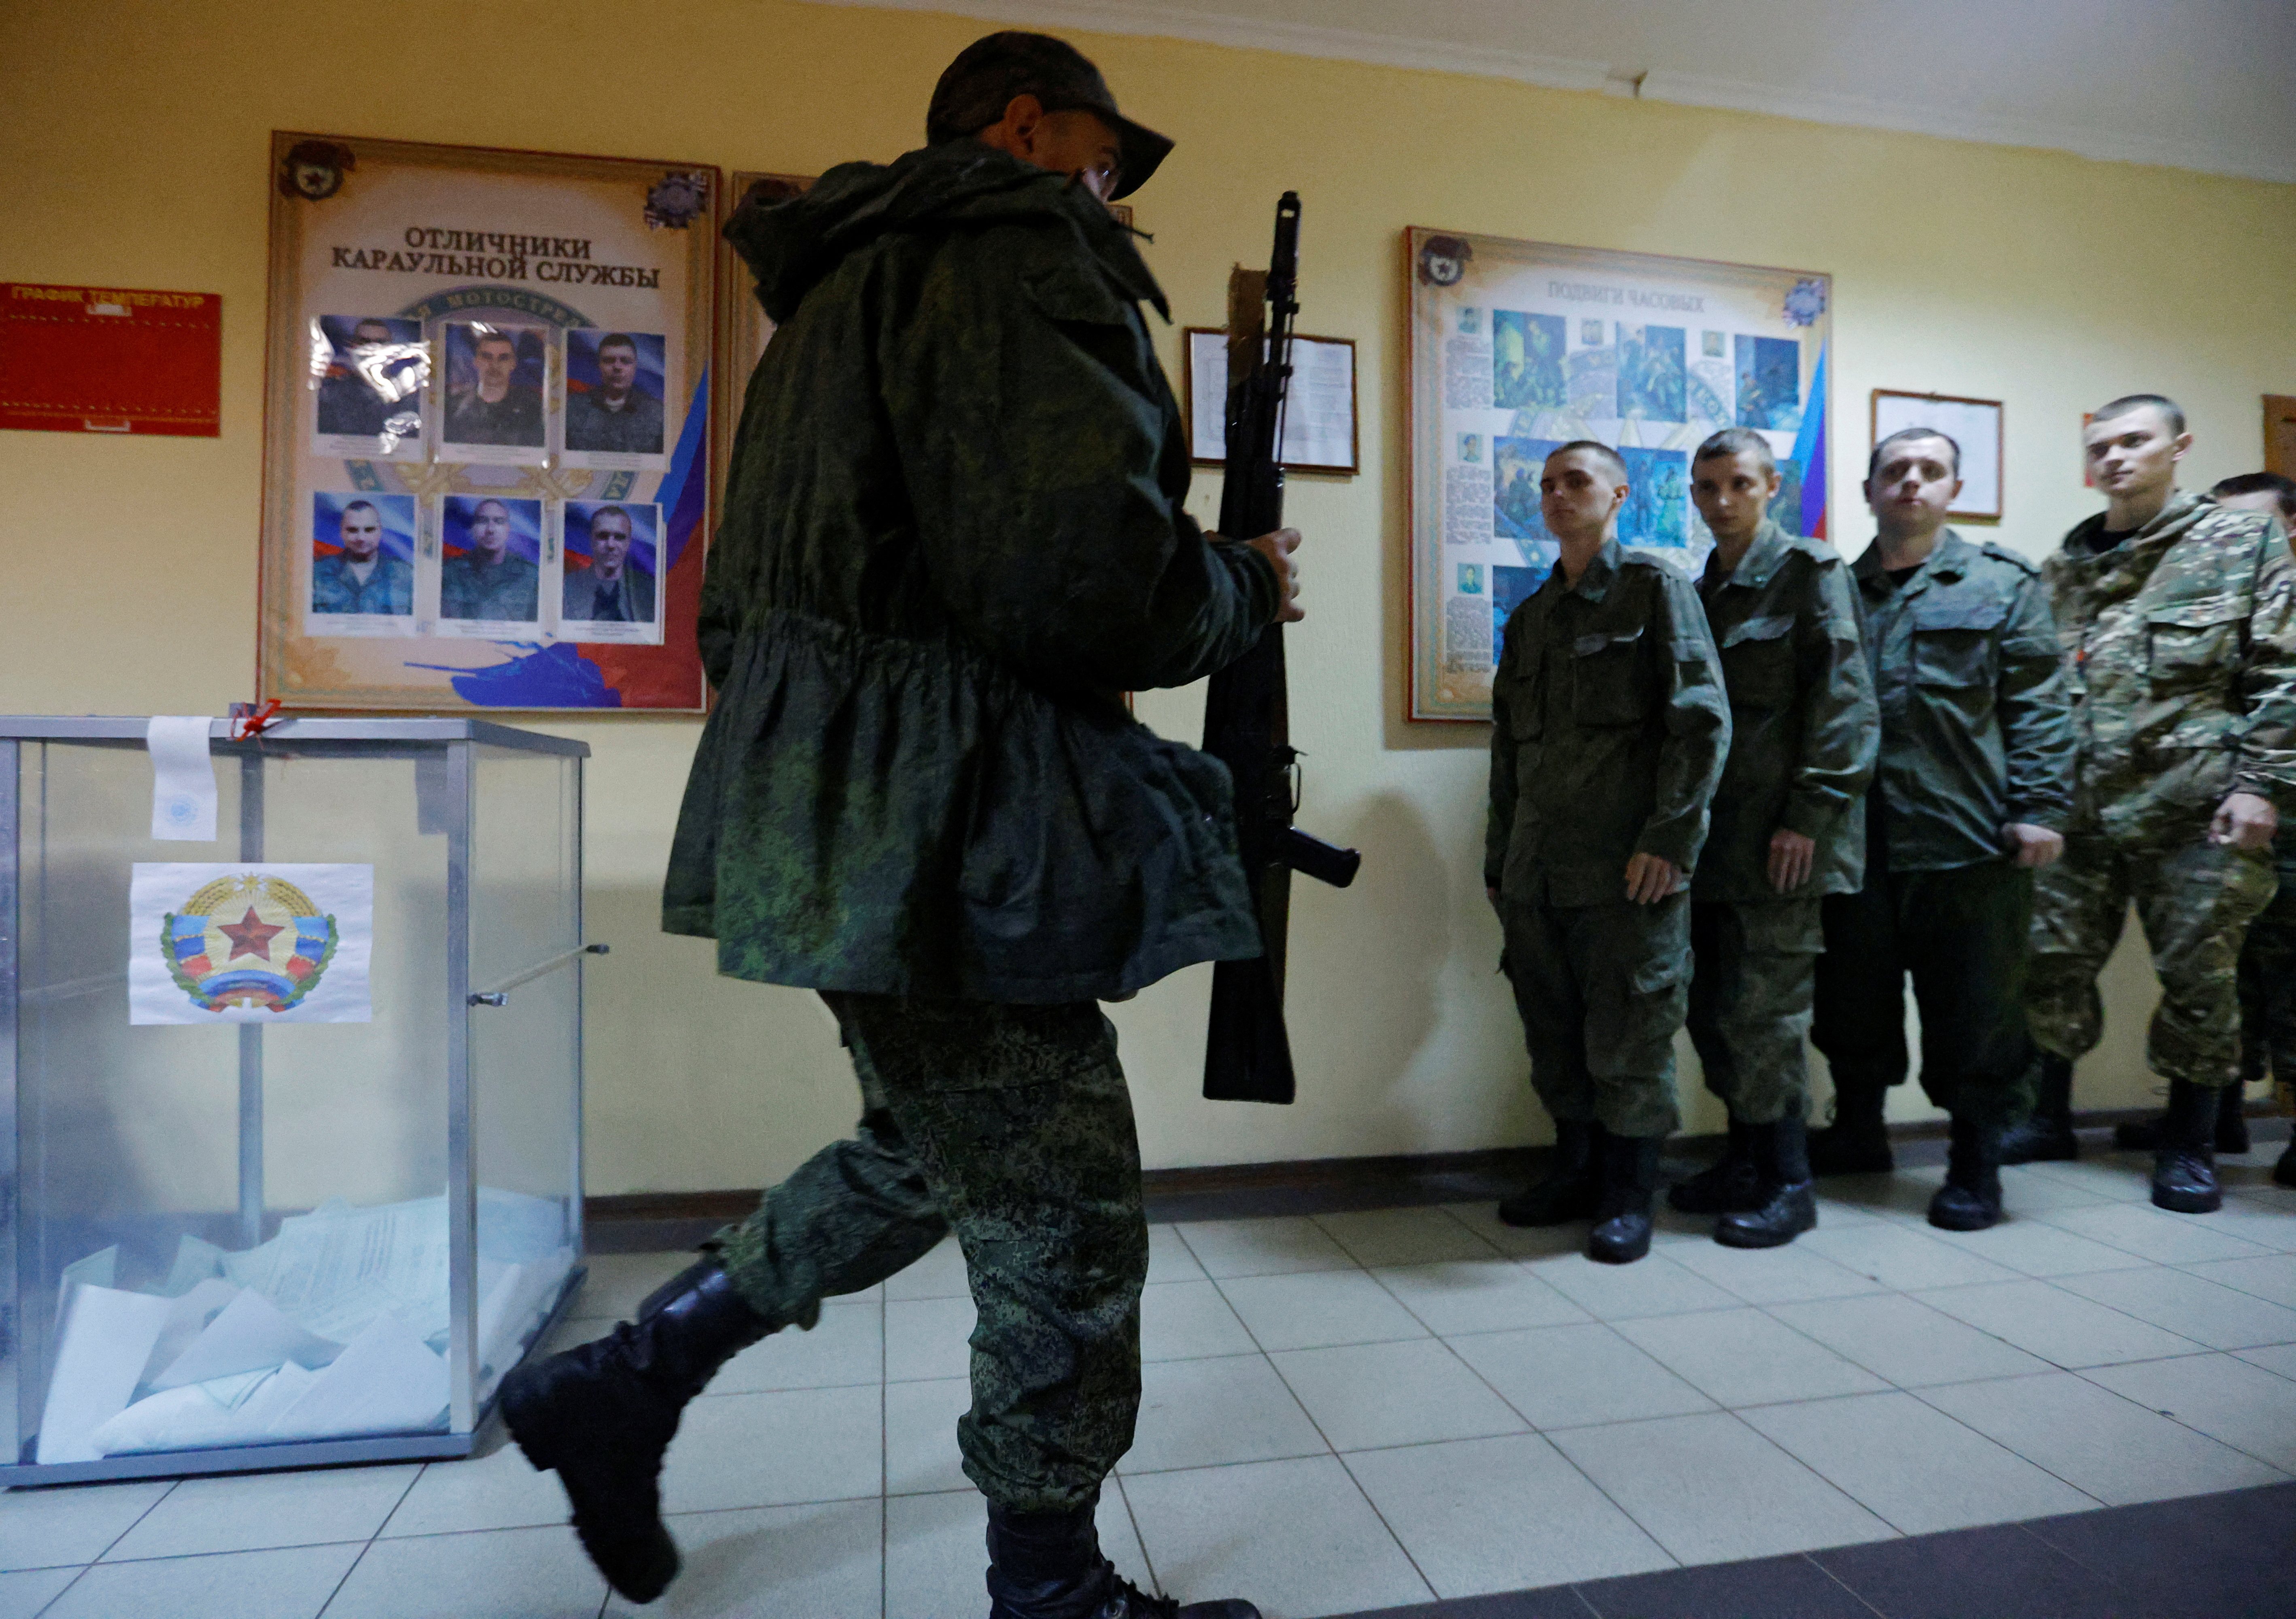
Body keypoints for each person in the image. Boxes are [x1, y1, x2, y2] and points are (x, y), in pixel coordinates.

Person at [500, 32, 1288, 1619]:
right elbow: (1078, 579)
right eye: (1096, 152)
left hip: (843, 802)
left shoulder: (848, 289)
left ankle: (625, 1382)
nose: (1109, 189)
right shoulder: (1007, 244)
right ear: (1015, 123)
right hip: (947, 819)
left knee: (927, 1149)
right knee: (1059, 1210)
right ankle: (1048, 1590)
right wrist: (1230, 586)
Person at [2000, 397, 2296, 1215]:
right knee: (2049, 963)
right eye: (2101, 445)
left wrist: (2257, 784)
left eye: (2135, 441)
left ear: (2178, 449)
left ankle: (2189, 1144)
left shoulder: (2239, 543)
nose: (2117, 457)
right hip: (2080, 807)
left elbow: (2279, 668)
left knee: (2199, 978)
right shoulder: (2062, 566)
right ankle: (2045, 1117)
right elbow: (2032, 691)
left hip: (2193, 809)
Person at [1806, 429, 2075, 1228]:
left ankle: (1971, 1163)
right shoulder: (1831, 590)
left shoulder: (2000, 583)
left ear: (1952, 487)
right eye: (1894, 471)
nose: (1911, 483)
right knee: (1848, 999)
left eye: (1929, 471)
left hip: (1968, 840)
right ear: (1868, 490)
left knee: (1977, 1010)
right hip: (1855, 841)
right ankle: (1856, 1131)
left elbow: (2037, 701)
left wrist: (2038, 807)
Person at [1488, 441, 1731, 1264]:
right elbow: (1505, 762)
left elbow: (1699, 722)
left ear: (1618, 493)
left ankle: (1629, 1193)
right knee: (1554, 1036)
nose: (1557, 494)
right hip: (1537, 874)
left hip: (1628, 870)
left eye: (1576, 481)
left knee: (1629, 1035)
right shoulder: (1529, 618)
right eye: (1547, 485)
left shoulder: (1653, 588)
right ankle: (1577, 1171)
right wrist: (1500, 868)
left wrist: (1669, 840)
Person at [1668, 428, 1877, 1247]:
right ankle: (1744, 1160)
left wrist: (1808, 816)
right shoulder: (1700, 590)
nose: (1721, 500)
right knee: (1716, 1012)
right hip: (1715, 844)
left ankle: (1788, 1180)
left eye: (1737, 483)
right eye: (1706, 486)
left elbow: (1845, 706)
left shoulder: (1808, 574)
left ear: (1770, 486)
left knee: (1767, 1016)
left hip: (1783, 842)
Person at [2109, 471, 2296, 1185]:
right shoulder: (2221, 615)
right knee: (2218, 981)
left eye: (2247, 528)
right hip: (2215, 830)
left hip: (2287, 832)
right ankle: (2212, 1115)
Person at [315, 318, 418, 440]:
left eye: (381, 342)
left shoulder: (412, 396)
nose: (372, 349)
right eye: (364, 342)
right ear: (353, 347)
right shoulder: (329, 393)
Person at [564, 333, 666, 455]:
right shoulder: (574, 407)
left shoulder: (657, 413)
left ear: (635, 367)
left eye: (626, 361)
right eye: (609, 361)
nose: (617, 367)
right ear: (599, 366)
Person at [439, 497, 539, 620]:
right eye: (483, 521)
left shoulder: (531, 576)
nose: (490, 530)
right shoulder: (451, 572)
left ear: (508, 529)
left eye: (499, 521)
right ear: (473, 529)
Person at [443, 326, 543, 446]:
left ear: (513, 364)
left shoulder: (532, 411)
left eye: (503, 358)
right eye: (487, 357)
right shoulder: (454, 408)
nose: (495, 365)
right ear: (476, 362)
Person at [309, 499, 412, 615]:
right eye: (353, 530)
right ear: (342, 532)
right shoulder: (317, 573)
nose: (361, 538)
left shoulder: (406, 575)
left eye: (369, 530)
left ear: (380, 532)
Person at [562, 505, 656, 623]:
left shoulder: (649, 587)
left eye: (619, 537)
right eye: (603, 536)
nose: (611, 545)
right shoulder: (570, 586)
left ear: (628, 542)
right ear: (591, 539)